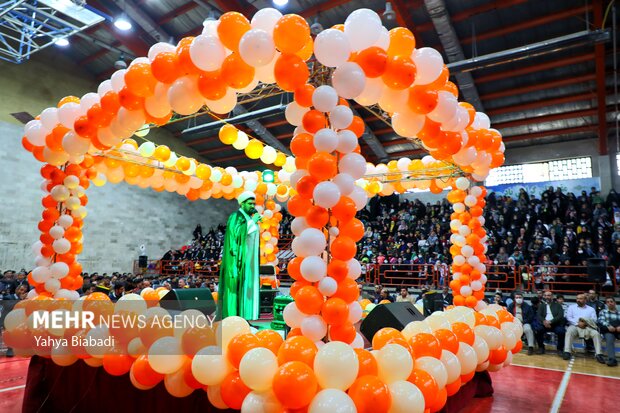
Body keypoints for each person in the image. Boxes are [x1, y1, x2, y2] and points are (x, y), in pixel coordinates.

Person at [218, 191, 261, 320]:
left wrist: (253, 222)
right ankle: (234, 318)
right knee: (238, 288)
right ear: (242, 204)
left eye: (254, 203)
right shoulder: (236, 216)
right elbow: (236, 236)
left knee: (248, 288)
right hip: (239, 260)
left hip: (250, 260)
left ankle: (246, 317)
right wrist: (253, 222)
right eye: (249, 203)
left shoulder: (248, 218)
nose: (253, 206)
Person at [563, 293, 605, 363]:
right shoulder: (571, 307)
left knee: (596, 334)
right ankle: (567, 352)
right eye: (577, 298)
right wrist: (578, 323)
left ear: (585, 300)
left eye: (581, 299)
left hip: (587, 327)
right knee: (569, 331)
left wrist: (585, 323)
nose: (578, 300)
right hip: (575, 326)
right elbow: (569, 318)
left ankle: (599, 354)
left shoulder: (591, 309)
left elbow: (594, 319)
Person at [598, 297, 619, 366]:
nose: (610, 303)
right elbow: (601, 321)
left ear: (615, 303)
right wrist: (608, 326)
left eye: (611, 301)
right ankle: (612, 359)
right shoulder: (603, 312)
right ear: (606, 304)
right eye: (608, 302)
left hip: (619, 331)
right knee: (609, 339)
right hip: (608, 331)